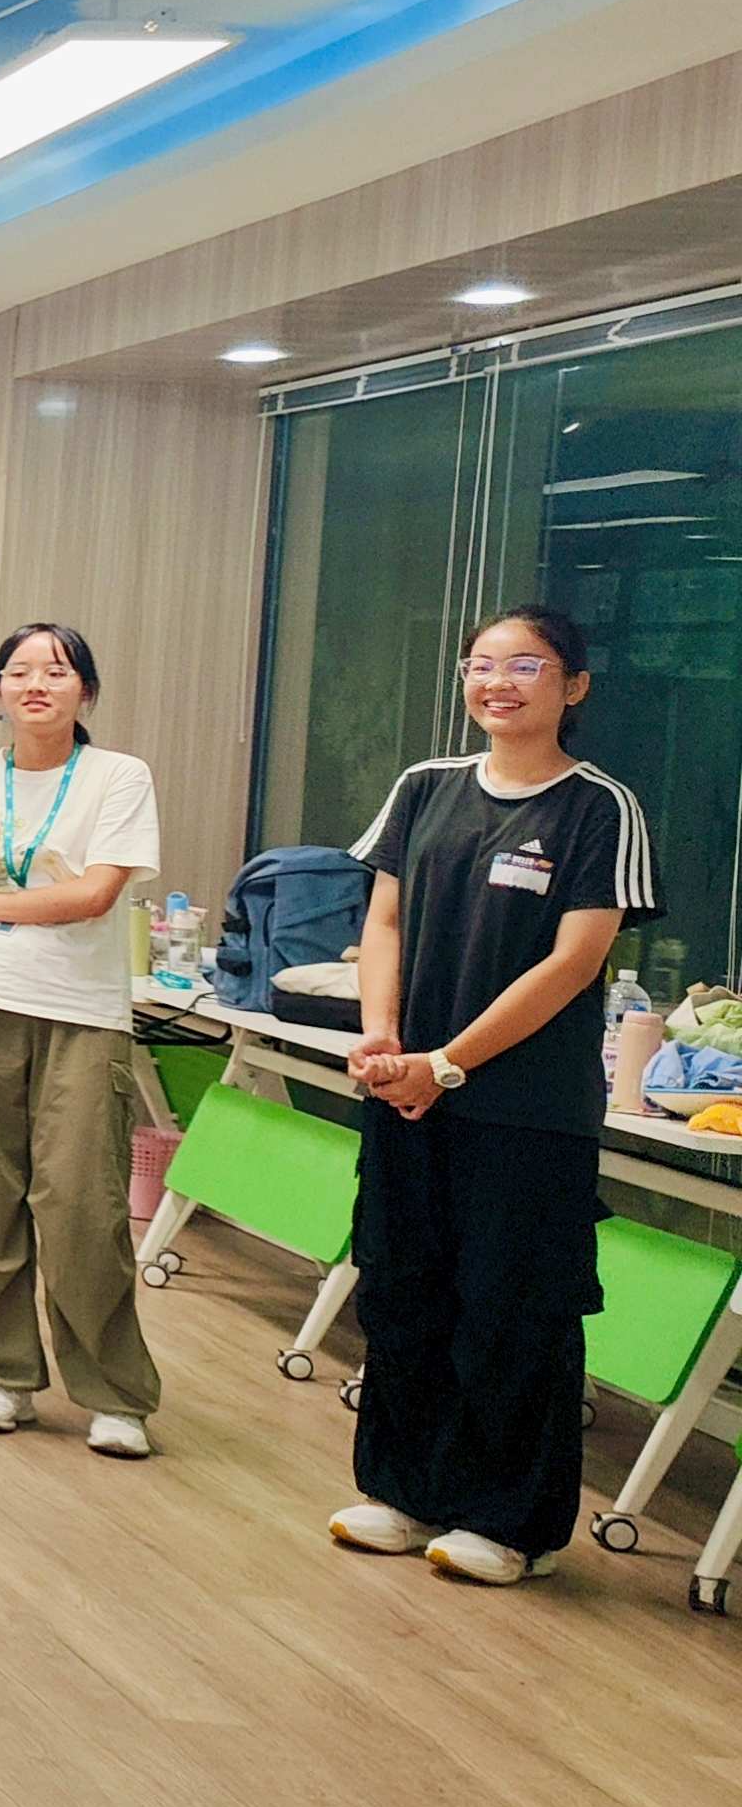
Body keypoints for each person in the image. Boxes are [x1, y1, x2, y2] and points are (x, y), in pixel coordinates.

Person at [330, 603, 654, 1586]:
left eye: (524, 665)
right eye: (480, 664)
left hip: (525, 1112)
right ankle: (404, 1492)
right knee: (402, 1289)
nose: (496, 682)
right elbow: (383, 923)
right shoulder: (424, 787)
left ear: (574, 685)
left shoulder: (598, 808)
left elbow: (573, 962)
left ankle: (511, 1525)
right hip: (406, 1092)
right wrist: (383, 1036)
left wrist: (448, 1063)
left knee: (513, 1309)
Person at [0, 622, 168, 1458]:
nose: (35, 685)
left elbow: (93, 896)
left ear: (85, 690)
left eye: (56, 672)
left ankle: (114, 1395)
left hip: (81, 1013)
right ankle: (0, 1376)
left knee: (83, 1208)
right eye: (18, 672)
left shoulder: (119, 777)